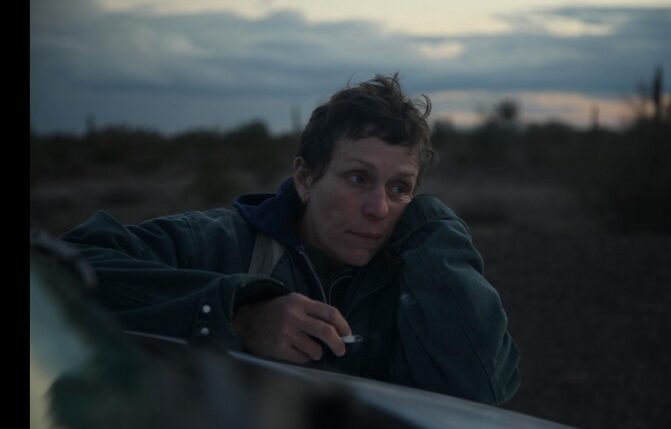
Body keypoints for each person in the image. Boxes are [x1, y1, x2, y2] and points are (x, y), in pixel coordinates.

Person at [61, 73, 521, 404]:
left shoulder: (415, 281)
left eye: (400, 187)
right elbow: (60, 266)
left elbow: (481, 390)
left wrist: (428, 222)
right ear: (304, 177)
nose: (379, 208)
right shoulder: (223, 243)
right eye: (358, 178)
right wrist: (236, 313)